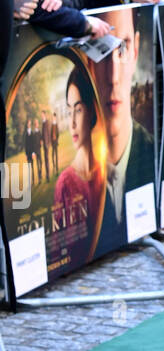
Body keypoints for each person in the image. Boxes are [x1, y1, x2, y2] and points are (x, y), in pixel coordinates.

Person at [90, 3, 156, 252]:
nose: (113, 75)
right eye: (102, 50)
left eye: (123, 47)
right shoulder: (77, 181)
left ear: (137, 49)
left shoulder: (152, 155)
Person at [53, 63, 106, 269]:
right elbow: (59, 254)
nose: (72, 123)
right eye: (69, 111)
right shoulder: (65, 183)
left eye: (78, 110)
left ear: (92, 110)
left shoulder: (105, 172)